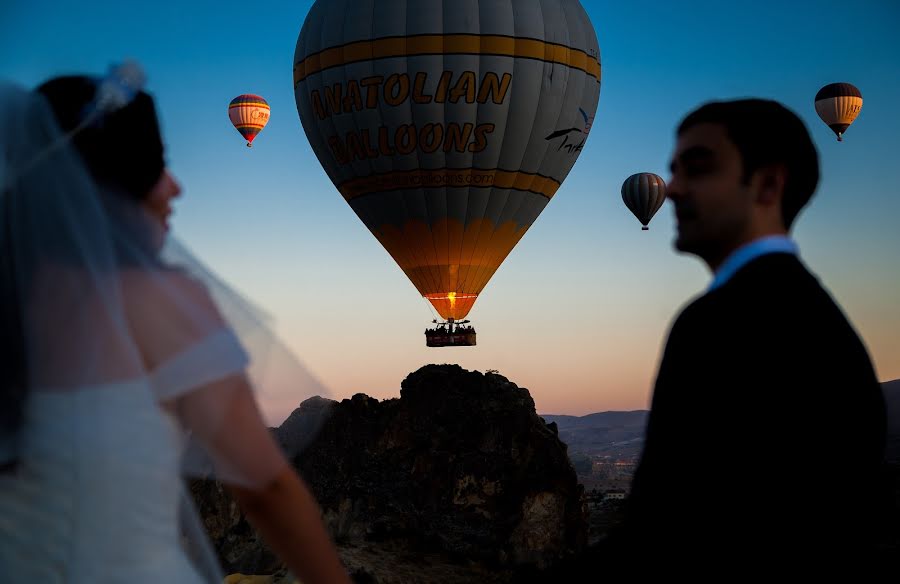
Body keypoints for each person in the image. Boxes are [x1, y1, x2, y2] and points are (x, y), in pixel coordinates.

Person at [0, 69, 351, 583]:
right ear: (122, 179)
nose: (176, 187)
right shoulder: (158, 300)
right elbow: (265, 488)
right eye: (160, 165)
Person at [610, 99, 887, 573]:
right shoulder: (819, 321)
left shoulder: (717, 323)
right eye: (671, 171)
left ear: (768, 184)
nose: (673, 189)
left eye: (697, 169)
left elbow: (659, 529)